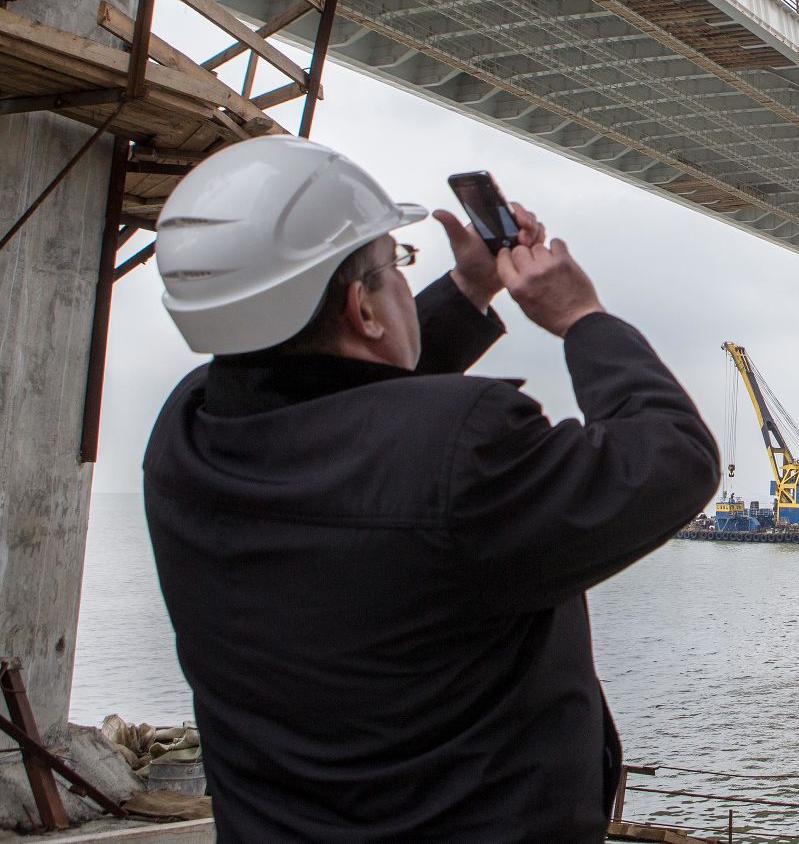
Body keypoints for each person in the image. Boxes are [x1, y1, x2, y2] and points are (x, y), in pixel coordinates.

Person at [143, 136, 720, 843]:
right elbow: (673, 460)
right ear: (364, 309)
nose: (404, 281)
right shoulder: (467, 451)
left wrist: (471, 291)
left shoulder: (187, 438)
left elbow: (343, 412)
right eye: (396, 266)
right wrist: (581, 317)